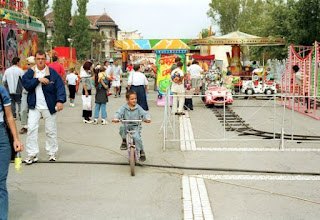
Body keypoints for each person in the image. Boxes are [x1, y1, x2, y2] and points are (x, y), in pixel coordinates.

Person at [22, 50, 66, 164]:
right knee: (31, 129)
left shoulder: (52, 73)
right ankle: (32, 154)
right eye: (38, 59)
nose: (40, 61)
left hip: (49, 106)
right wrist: (38, 80)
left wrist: (60, 101)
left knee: (50, 130)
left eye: (43, 59)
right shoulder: (30, 73)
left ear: (46, 60)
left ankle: (52, 152)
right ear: (35, 60)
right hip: (34, 106)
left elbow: (60, 87)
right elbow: (26, 85)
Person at [0, 85, 24, 220]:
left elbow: (9, 117)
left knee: (0, 182)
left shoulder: (1, 91)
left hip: (2, 139)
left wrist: (16, 139)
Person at [112, 90, 151, 162]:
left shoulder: (138, 107)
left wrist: (147, 118)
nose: (134, 100)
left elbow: (144, 113)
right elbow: (118, 113)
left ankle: (141, 151)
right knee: (122, 127)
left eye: (135, 99)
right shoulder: (124, 107)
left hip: (136, 125)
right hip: (126, 124)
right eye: (132, 99)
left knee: (137, 137)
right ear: (127, 100)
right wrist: (116, 118)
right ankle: (124, 140)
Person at [20, 56, 36, 134]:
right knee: (23, 109)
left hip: (34, 93)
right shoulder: (26, 73)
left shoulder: (38, 73)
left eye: (29, 64)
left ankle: (32, 125)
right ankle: (24, 125)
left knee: (33, 110)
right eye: (28, 64)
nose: (28, 65)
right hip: (26, 93)